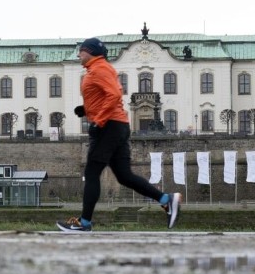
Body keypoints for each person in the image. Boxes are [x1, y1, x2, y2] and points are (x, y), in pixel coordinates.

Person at [58, 37, 181, 232]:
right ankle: (166, 199)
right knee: (124, 175)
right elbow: (105, 95)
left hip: (108, 126)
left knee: (91, 172)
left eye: (81, 51)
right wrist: (87, 109)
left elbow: (114, 95)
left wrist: (98, 119)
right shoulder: (97, 69)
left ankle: (84, 222)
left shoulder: (99, 68)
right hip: (117, 125)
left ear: (90, 51)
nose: (78, 54)